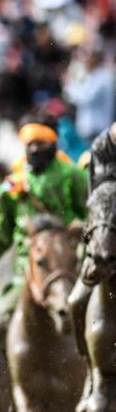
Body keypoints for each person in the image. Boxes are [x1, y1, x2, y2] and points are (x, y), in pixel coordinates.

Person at [0, 119, 88, 333]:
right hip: (28, 274)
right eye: (29, 144)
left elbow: (92, 216)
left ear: (52, 143)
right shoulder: (14, 184)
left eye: (40, 144)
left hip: (71, 268)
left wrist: (80, 230)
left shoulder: (73, 176)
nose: (34, 149)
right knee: (2, 323)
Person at [68, 120, 116, 357]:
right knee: (76, 301)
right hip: (106, 235)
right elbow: (97, 199)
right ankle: (88, 364)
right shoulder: (100, 147)